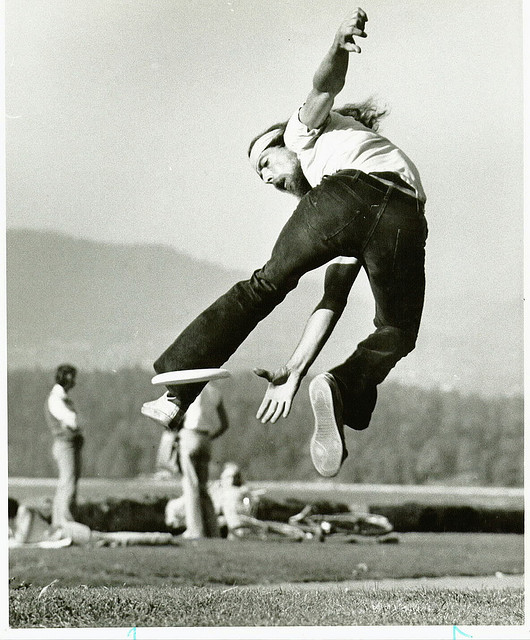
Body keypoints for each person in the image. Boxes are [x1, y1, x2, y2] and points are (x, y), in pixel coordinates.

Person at [142, 8, 427, 478]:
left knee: (265, 285)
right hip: (404, 214)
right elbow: (331, 301)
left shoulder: (304, 132)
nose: (269, 178)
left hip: (351, 194)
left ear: (285, 144)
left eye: (266, 164)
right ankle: (340, 383)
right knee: (397, 331)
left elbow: (323, 87)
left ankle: (179, 387)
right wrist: (296, 370)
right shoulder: (337, 175)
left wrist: (337, 44)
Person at [175, 383, 229, 539]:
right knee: (203, 488)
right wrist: (211, 437)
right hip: (205, 438)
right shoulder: (215, 391)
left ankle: (195, 530)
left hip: (190, 434)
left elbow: (177, 416)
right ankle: (213, 531)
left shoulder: (190, 387)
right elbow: (224, 424)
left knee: (191, 485)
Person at [44, 364, 83, 527]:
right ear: (64, 377)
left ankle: (59, 522)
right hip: (65, 444)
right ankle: (65, 522)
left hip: (69, 444)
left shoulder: (62, 397)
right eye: (71, 377)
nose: (73, 380)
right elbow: (70, 420)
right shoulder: (56, 398)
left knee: (67, 483)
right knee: (68, 484)